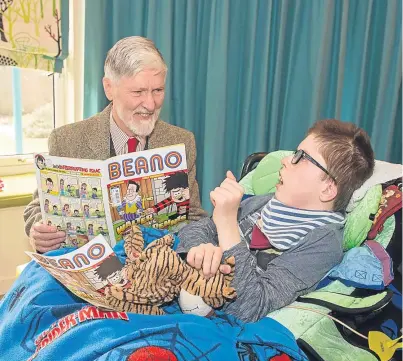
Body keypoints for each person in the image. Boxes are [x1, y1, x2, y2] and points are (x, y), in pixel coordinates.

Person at [177, 119, 375, 323]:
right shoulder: (265, 202)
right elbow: (194, 229)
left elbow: (250, 309)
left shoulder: (322, 245)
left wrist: (227, 223)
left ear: (327, 189)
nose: (286, 160)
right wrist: (202, 250)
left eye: (301, 157)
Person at [24, 36, 207, 253]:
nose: (150, 104)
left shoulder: (180, 142)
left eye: (158, 91)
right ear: (109, 88)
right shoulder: (66, 140)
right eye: (138, 92)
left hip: (155, 271)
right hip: (89, 268)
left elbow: (194, 217)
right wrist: (39, 232)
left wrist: (199, 247)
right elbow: (37, 208)